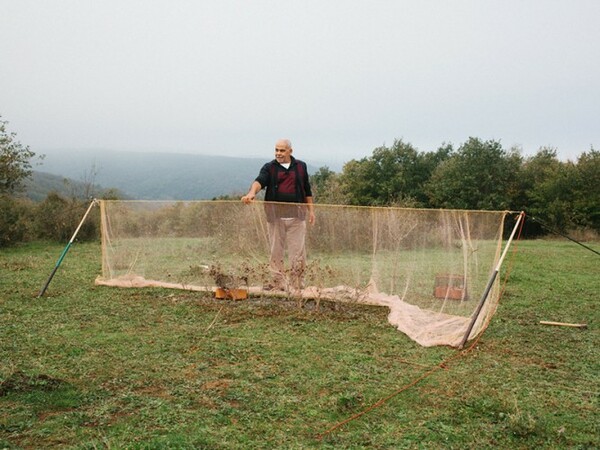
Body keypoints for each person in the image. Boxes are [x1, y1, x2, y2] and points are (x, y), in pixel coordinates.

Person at [241, 139, 315, 291]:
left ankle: (297, 285)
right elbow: (259, 181)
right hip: (275, 218)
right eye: (276, 150)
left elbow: (307, 189)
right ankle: (278, 283)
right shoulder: (269, 167)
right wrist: (251, 193)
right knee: (276, 251)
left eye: (282, 150)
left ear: (290, 151)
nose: (278, 153)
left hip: (297, 217)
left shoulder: (301, 166)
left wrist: (311, 210)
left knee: (298, 253)